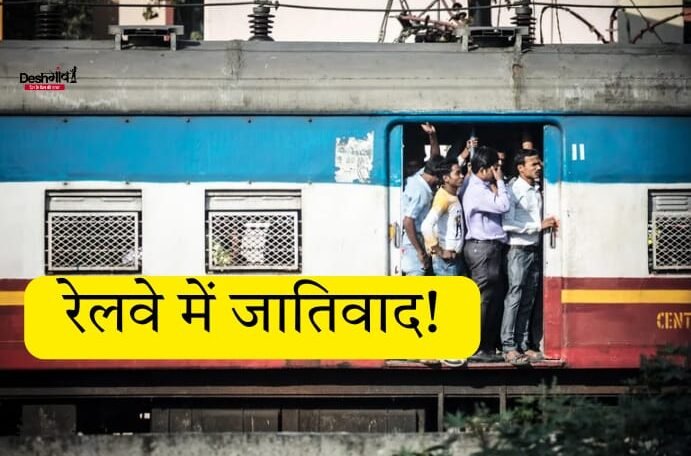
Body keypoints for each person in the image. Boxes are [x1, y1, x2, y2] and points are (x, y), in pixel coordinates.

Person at [501, 149, 559, 364]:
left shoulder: (535, 189)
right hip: (518, 249)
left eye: (538, 163)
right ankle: (508, 346)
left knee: (528, 298)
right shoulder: (513, 191)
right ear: (520, 168)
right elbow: (507, 224)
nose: (538, 167)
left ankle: (523, 344)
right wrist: (537, 226)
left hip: (533, 249)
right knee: (514, 297)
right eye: (533, 164)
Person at [462, 146, 510, 362]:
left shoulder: (472, 184)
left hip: (483, 248)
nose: (498, 171)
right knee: (484, 300)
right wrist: (500, 182)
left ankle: (484, 346)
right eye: (495, 168)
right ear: (483, 170)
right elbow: (504, 205)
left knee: (488, 299)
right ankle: (479, 348)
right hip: (484, 248)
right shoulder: (478, 191)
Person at [421, 160, 466, 277]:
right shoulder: (443, 198)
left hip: (454, 259)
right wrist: (439, 251)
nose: (462, 176)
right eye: (457, 173)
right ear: (446, 178)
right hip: (446, 262)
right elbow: (426, 226)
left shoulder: (452, 195)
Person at [401, 155, 444, 276]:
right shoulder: (421, 192)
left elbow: (434, 158)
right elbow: (408, 221)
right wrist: (419, 251)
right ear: (436, 175)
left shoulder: (418, 177)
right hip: (414, 242)